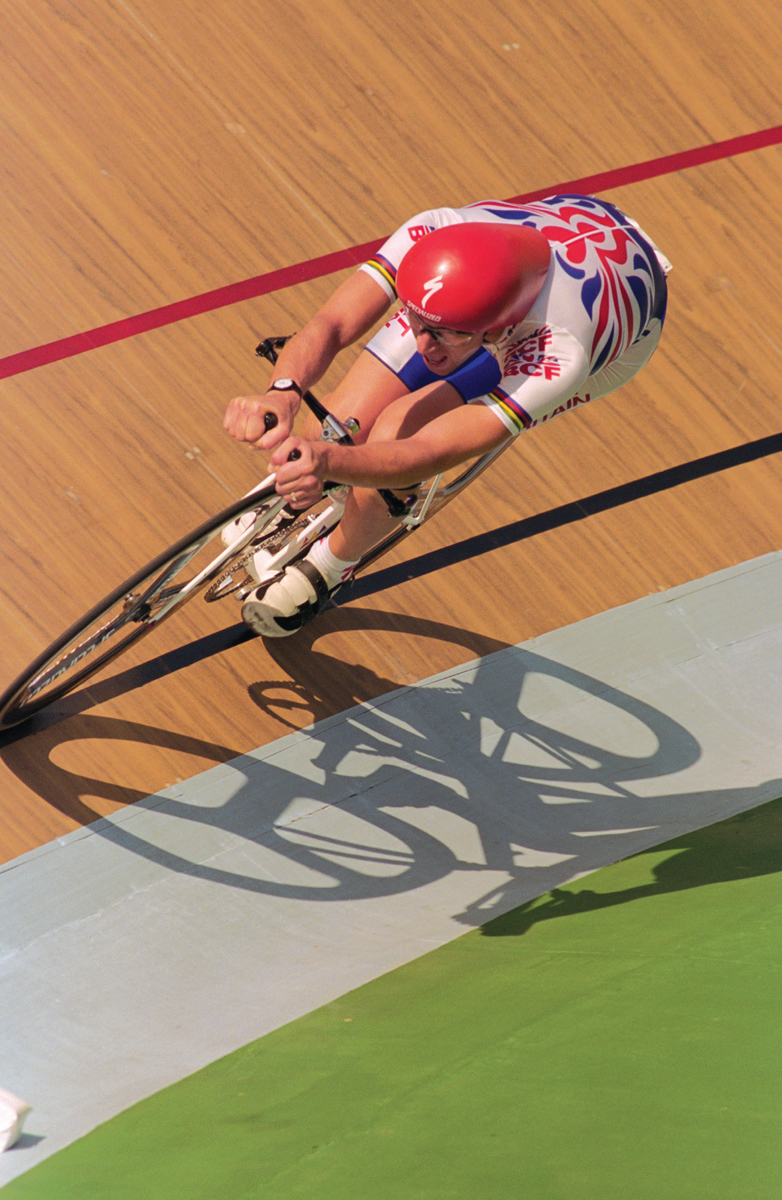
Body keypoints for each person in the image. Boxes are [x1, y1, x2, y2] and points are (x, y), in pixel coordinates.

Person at [223, 193, 670, 637]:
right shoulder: (435, 230)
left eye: (440, 335)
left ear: (494, 328)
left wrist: (326, 463)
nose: (422, 345)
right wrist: (283, 392)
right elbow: (332, 325)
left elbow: (427, 452)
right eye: (416, 324)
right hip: (549, 246)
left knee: (396, 435)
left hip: (611, 332)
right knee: (336, 421)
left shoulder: (560, 352)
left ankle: (330, 566)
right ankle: (292, 503)